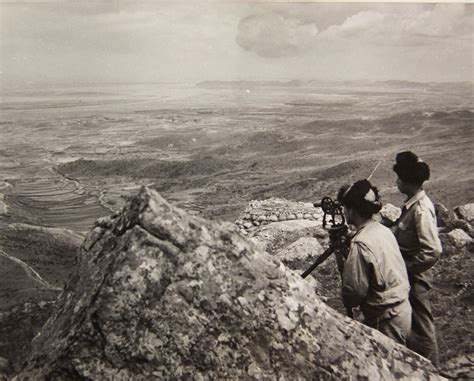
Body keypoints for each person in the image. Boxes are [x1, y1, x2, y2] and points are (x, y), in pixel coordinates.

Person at [338, 179, 412, 346]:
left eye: (345, 207)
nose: (343, 211)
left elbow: (354, 292)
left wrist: (345, 298)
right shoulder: (383, 230)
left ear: (352, 210)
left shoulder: (361, 243)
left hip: (385, 319)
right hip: (402, 310)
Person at [392, 151, 442, 367]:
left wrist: (410, 267)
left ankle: (434, 370)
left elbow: (432, 249)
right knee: (412, 319)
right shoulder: (411, 204)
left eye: (398, 178)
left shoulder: (421, 209)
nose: (396, 182)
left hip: (416, 274)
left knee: (422, 324)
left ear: (406, 181)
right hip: (409, 270)